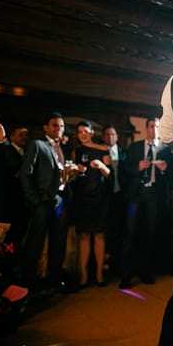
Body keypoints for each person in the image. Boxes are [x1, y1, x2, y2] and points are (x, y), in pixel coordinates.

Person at [19, 112, 72, 293]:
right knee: (35, 243)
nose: (59, 129)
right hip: (42, 201)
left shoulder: (60, 148)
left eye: (62, 126)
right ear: (46, 128)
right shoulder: (37, 145)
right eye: (55, 125)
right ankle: (29, 283)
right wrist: (34, 200)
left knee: (58, 243)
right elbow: (25, 173)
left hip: (58, 200)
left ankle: (54, 280)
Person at [119, 117, 172, 289]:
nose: (154, 129)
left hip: (154, 196)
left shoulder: (165, 149)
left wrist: (164, 171)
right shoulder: (135, 147)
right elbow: (124, 169)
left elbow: (172, 176)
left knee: (150, 235)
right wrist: (138, 168)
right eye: (151, 126)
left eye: (157, 126)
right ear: (146, 128)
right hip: (135, 195)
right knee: (130, 235)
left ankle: (146, 272)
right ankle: (126, 275)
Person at [70, 121, 111, 288]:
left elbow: (110, 175)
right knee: (84, 236)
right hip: (82, 199)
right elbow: (72, 180)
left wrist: (101, 166)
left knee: (100, 235)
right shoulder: (76, 152)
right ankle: (84, 275)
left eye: (85, 131)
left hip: (100, 199)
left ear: (92, 132)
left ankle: (100, 274)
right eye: (80, 132)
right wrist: (74, 171)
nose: (83, 134)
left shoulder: (103, 150)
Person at [102, 125, 127, 275]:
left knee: (120, 232)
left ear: (117, 137)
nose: (110, 137)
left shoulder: (125, 153)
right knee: (106, 232)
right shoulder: (100, 153)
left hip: (122, 198)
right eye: (107, 134)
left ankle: (117, 264)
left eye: (113, 134)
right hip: (105, 198)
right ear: (104, 137)